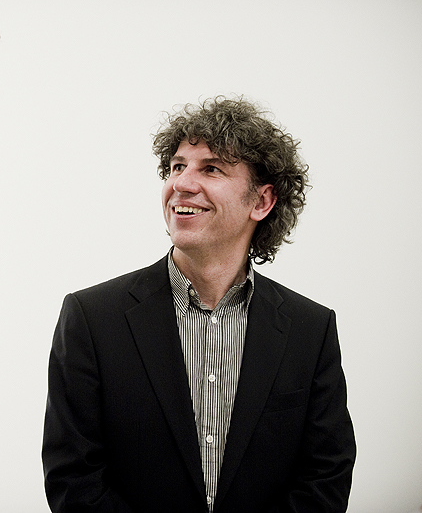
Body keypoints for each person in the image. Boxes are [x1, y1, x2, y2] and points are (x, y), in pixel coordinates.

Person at [42, 96, 356, 513]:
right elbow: (73, 480)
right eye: (177, 166)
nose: (182, 183)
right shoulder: (92, 318)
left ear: (261, 202)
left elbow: (325, 478)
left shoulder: (310, 329)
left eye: (211, 168)